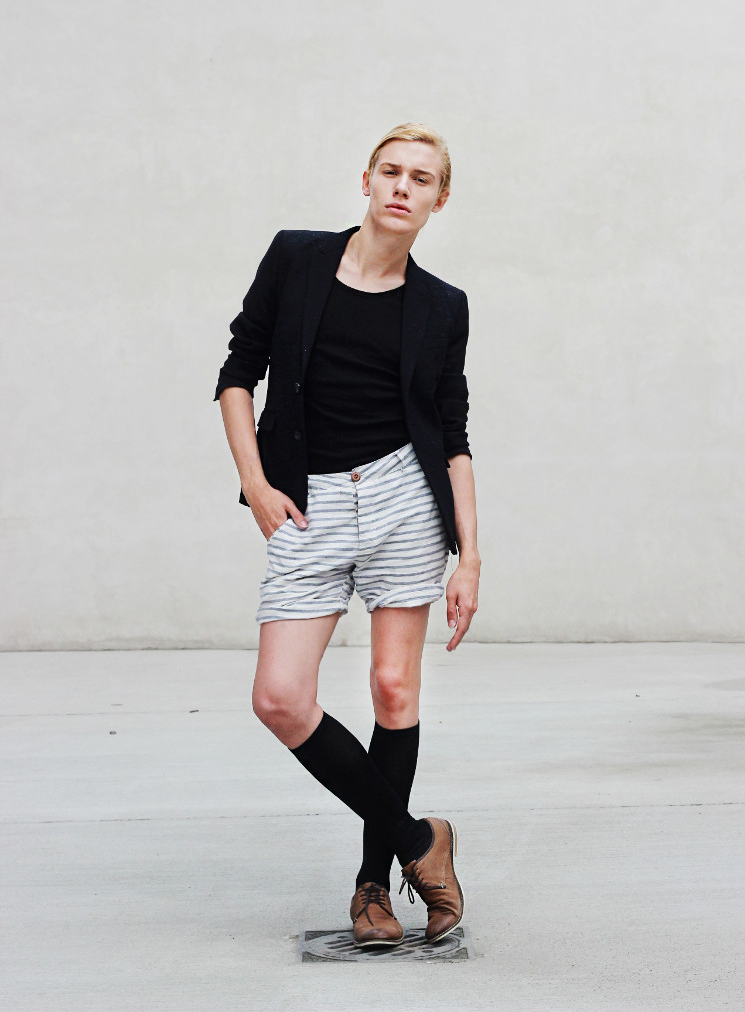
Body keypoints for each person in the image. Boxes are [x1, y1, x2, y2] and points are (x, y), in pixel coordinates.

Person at [214, 123, 480, 946]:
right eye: (391, 171)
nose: (403, 186)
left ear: (440, 200)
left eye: (421, 178)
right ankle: (419, 839)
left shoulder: (442, 306)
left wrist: (471, 554)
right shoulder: (296, 258)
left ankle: (373, 889)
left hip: (404, 497)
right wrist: (257, 482)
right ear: (367, 180)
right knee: (279, 696)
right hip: (309, 501)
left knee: (394, 690)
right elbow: (237, 372)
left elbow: (454, 433)